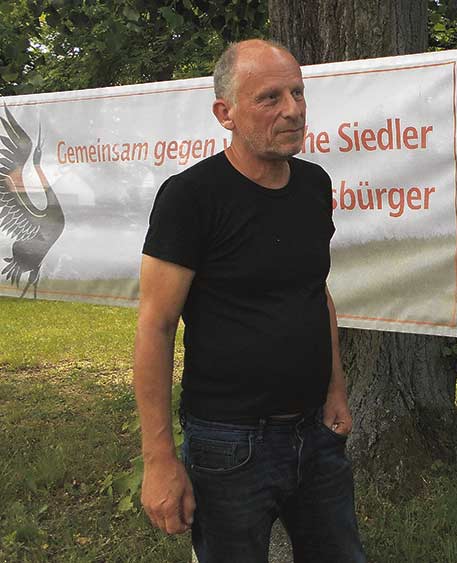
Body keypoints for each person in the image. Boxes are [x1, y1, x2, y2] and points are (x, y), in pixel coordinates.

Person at [133, 39, 365, 562]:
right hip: (227, 444)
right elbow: (156, 325)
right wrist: (159, 459)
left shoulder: (313, 185)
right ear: (226, 113)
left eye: (298, 93)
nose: (293, 109)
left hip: (316, 435)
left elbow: (314, 290)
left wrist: (335, 389)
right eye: (270, 98)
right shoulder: (191, 198)